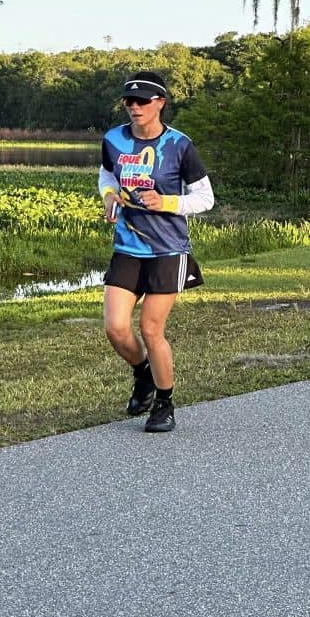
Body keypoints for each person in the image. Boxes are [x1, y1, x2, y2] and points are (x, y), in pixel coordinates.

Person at [98, 71, 214, 432]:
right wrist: (108, 196)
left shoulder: (179, 145)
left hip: (168, 250)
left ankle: (164, 403)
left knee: (150, 328)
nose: (134, 107)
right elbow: (106, 175)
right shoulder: (113, 139)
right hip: (127, 246)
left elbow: (205, 199)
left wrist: (165, 201)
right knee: (116, 328)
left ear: (160, 103)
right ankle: (144, 375)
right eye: (129, 101)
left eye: (142, 101)